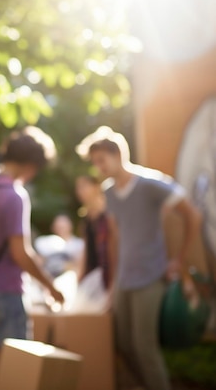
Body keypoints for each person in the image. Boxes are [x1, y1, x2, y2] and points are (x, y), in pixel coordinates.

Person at [76, 125, 201, 390]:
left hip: (151, 274)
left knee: (144, 345)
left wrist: (179, 259)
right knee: (122, 343)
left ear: (118, 154)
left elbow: (192, 215)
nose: (99, 167)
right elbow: (113, 237)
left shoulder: (151, 184)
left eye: (101, 160)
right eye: (95, 163)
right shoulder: (109, 191)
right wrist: (112, 284)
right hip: (123, 278)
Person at [0, 126, 65, 390]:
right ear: (32, 165)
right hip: (7, 291)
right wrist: (50, 285)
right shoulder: (14, 195)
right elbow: (19, 253)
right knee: (12, 370)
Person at [74, 174, 115, 290]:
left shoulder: (108, 214)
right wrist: (81, 275)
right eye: (78, 188)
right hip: (93, 273)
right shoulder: (86, 219)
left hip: (107, 272)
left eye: (84, 186)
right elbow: (86, 249)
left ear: (96, 187)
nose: (80, 191)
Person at [33, 213, 84, 278]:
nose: (61, 227)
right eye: (58, 225)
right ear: (53, 227)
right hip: (48, 278)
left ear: (71, 226)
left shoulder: (79, 244)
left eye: (63, 225)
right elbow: (38, 262)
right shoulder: (44, 242)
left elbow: (79, 265)